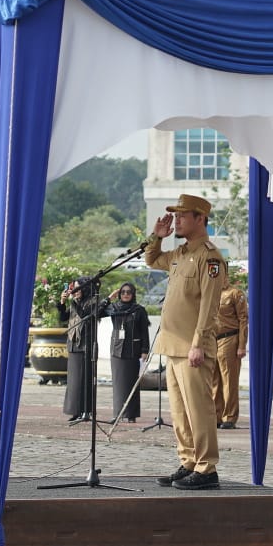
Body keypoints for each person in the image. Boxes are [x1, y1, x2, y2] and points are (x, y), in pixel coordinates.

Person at [148, 194, 227, 490]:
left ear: (200, 219)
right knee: (179, 412)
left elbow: (209, 305)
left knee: (199, 409)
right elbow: (152, 259)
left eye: (182, 216)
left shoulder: (211, 257)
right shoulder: (179, 254)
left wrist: (198, 343)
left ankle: (207, 468)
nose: (177, 220)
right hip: (172, 344)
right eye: (176, 215)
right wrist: (157, 237)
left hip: (193, 347)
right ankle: (189, 460)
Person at [105, 281, 151, 423]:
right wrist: (109, 298)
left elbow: (144, 331)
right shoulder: (114, 308)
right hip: (117, 351)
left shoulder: (139, 310)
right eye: (123, 292)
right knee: (118, 384)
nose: (125, 294)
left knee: (131, 383)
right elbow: (97, 312)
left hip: (133, 351)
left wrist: (145, 350)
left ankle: (131, 415)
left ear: (133, 294)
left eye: (128, 292)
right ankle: (118, 414)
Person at [61, 279, 105, 424]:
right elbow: (63, 318)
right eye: (74, 288)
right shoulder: (76, 302)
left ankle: (86, 410)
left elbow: (85, 315)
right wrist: (62, 302)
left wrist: (73, 301)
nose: (75, 291)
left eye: (78, 288)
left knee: (84, 380)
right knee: (73, 381)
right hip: (74, 344)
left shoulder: (93, 301)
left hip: (86, 345)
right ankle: (74, 411)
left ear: (86, 289)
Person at [209, 274, 248, 429]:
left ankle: (229, 417)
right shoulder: (210, 293)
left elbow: (243, 320)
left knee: (229, 381)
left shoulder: (235, 294)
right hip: (213, 340)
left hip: (229, 338)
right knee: (214, 381)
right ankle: (216, 416)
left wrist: (242, 345)